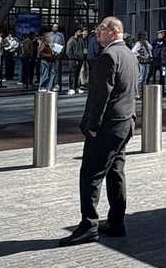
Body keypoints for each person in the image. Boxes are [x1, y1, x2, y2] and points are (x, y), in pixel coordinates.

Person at [59, 16, 139, 246]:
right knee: (115, 172)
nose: (97, 33)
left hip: (108, 125)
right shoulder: (129, 55)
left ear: (114, 31)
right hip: (125, 123)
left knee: (91, 174)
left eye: (101, 29)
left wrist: (91, 126)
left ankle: (88, 225)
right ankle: (116, 221)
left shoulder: (108, 56)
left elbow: (99, 97)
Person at [132, 30, 153, 97]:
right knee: (140, 77)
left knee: (145, 77)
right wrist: (139, 56)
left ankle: (143, 92)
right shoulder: (138, 44)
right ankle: (137, 92)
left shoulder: (146, 43)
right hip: (141, 62)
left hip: (147, 61)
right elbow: (133, 51)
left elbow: (150, 47)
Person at [65, 27, 86, 96]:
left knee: (77, 74)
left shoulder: (81, 40)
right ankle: (71, 88)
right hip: (73, 60)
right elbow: (68, 51)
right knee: (72, 74)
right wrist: (73, 57)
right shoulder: (71, 40)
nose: (81, 33)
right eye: (80, 31)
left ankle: (77, 87)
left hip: (80, 59)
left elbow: (83, 49)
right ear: (76, 32)